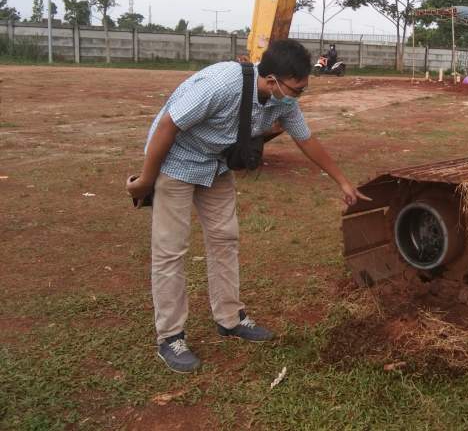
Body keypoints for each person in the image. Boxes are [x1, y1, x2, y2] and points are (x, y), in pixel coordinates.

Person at [126, 39, 369, 373]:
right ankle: (170, 337)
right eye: (296, 90)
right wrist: (145, 180)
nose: (298, 97)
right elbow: (168, 125)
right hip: (175, 162)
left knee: (225, 239)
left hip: (216, 164)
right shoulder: (221, 85)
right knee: (171, 250)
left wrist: (342, 182)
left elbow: (306, 139)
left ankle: (229, 318)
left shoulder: (282, 101)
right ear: (271, 80)